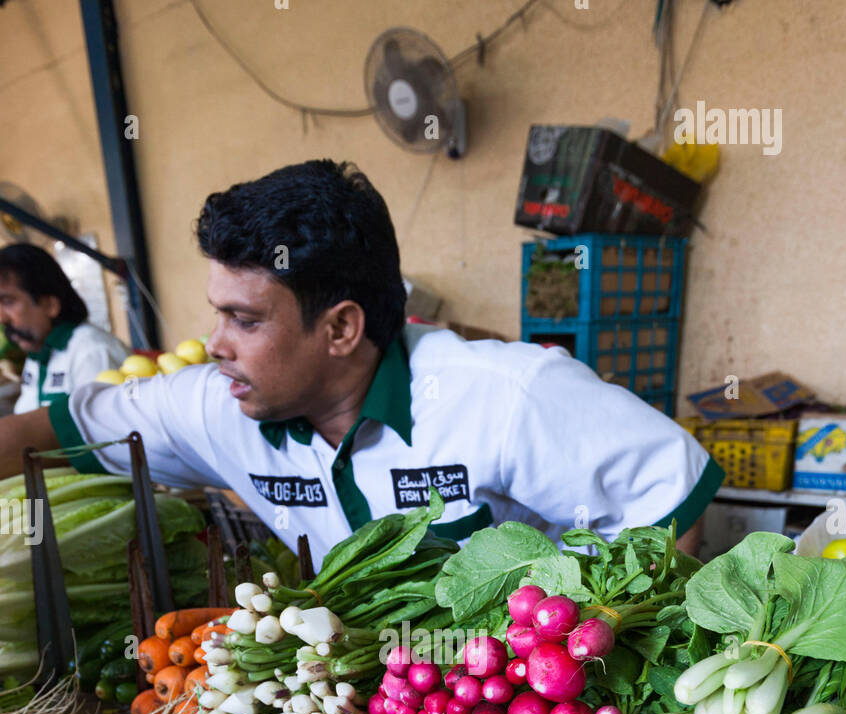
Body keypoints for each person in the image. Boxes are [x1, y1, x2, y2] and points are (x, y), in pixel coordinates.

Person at [0, 161, 722, 565]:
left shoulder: (508, 397)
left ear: (341, 328)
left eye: (245, 320)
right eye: (218, 313)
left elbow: (673, 502)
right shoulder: (214, 407)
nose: (216, 342)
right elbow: (42, 433)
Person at [0, 244, 127, 412]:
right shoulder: (38, 351)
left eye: (8, 302)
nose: (2, 318)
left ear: (50, 305)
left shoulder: (92, 352)